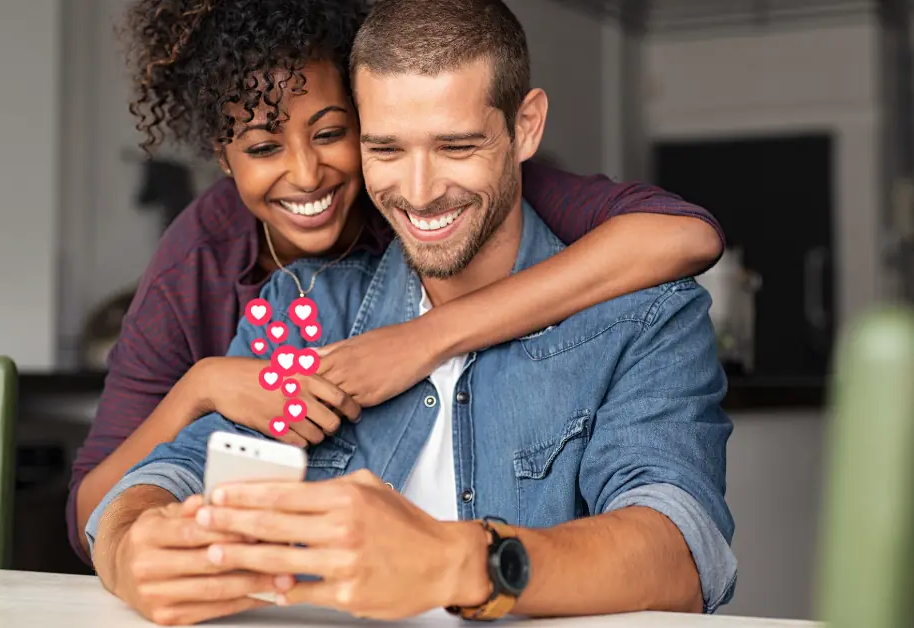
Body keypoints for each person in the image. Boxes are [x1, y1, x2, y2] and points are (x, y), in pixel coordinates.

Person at [86, 0, 736, 624]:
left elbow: (680, 552)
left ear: (525, 127)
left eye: (456, 147)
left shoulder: (647, 319)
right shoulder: (302, 306)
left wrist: (456, 562)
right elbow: (162, 476)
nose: (420, 193)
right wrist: (131, 547)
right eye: (387, 150)